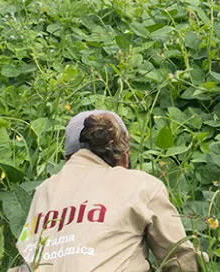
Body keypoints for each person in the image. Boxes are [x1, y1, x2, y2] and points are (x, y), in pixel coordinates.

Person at [12, 110, 198, 272]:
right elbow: (182, 261)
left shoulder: (44, 191)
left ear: (68, 158)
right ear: (124, 157)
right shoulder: (142, 184)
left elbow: (29, 259)